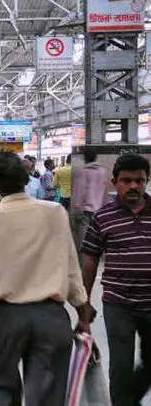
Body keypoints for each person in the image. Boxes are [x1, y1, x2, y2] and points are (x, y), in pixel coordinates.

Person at [0, 151, 90, 406]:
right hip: (51, 317)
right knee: (47, 395)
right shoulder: (55, 211)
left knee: (1, 387)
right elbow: (71, 267)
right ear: (25, 178)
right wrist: (83, 315)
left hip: (7, 318)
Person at [80, 154, 151, 406]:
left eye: (139, 181)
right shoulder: (103, 217)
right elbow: (90, 261)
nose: (133, 186)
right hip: (118, 304)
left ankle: (129, 400)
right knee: (120, 368)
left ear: (146, 181)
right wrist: (83, 303)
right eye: (126, 181)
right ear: (115, 182)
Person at [71, 148, 108, 260]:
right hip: (100, 207)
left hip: (87, 209)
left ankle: (85, 259)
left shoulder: (84, 171)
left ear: (85, 158)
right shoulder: (102, 171)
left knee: (84, 234)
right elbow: (104, 189)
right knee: (98, 232)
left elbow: (81, 190)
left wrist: (77, 205)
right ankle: (98, 255)